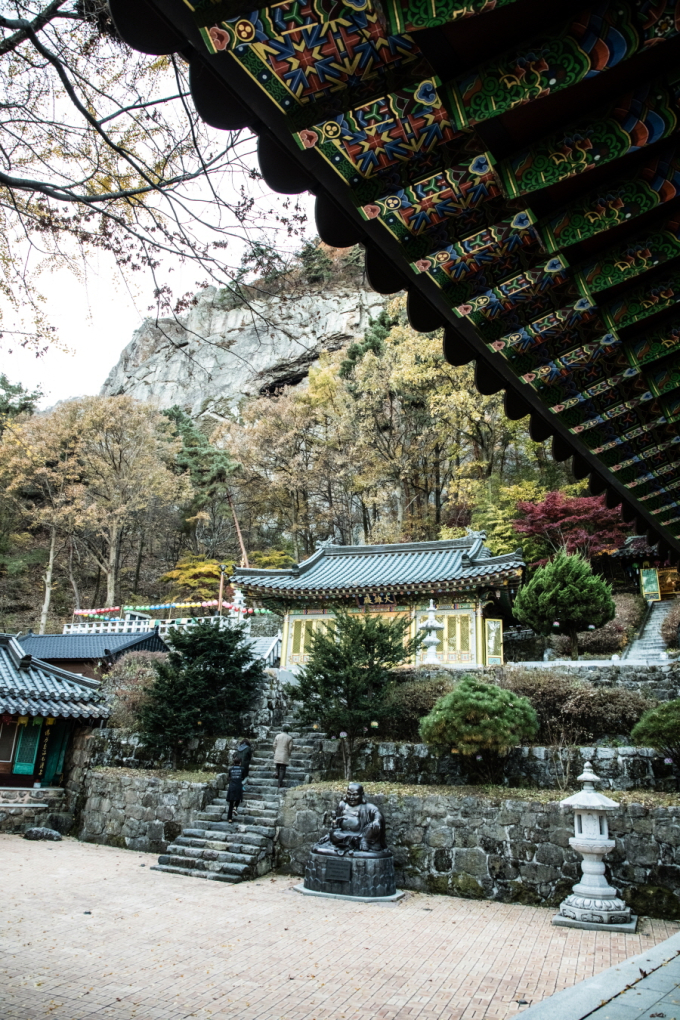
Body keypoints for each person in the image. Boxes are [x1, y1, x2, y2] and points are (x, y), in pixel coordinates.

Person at [226, 754, 243, 822]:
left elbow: (229, 777)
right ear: (240, 763)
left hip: (232, 786)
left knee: (231, 803)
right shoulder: (242, 769)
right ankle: (235, 807)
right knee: (238, 799)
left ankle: (229, 818)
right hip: (238, 786)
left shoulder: (230, 769)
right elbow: (243, 777)